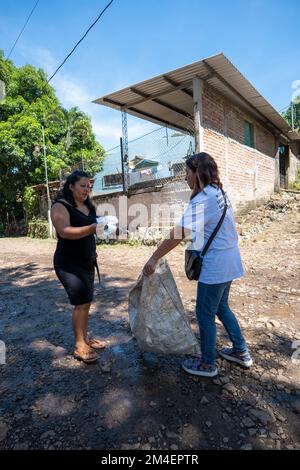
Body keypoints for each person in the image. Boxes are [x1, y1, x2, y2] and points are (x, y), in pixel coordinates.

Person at [143, 152, 253, 378]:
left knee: (204, 313)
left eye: (186, 172)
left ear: (197, 172)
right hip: (229, 260)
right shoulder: (218, 192)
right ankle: (241, 352)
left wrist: (154, 257)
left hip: (217, 265)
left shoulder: (204, 200)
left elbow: (179, 233)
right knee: (221, 307)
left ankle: (207, 364)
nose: (185, 177)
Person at [51, 170, 106, 364]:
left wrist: (108, 228)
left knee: (86, 302)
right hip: (68, 263)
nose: (86, 189)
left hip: (87, 261)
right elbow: (65, 232)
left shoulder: (88, 205)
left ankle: (85, 338)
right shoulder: (60, 206)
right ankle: (79, 345)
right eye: (82, 186)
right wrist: (92, 229)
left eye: (89, 186)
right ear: (71, 186)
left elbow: (95, 228)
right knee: (80, 303)